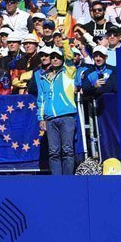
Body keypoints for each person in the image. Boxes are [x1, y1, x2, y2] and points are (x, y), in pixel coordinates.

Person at [35, 42, 79, 176]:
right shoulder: (43, 77)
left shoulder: (68, 72)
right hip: (50, 119)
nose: (55, 59)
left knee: (67, 150)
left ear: (62, 59)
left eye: (58, 57)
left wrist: (64, 42)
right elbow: (40, 99)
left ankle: (68, 180)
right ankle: (57, 181)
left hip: (66, 116)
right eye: (52, 57)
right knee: (53, 152)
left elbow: (70, 57)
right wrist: (41, 118)